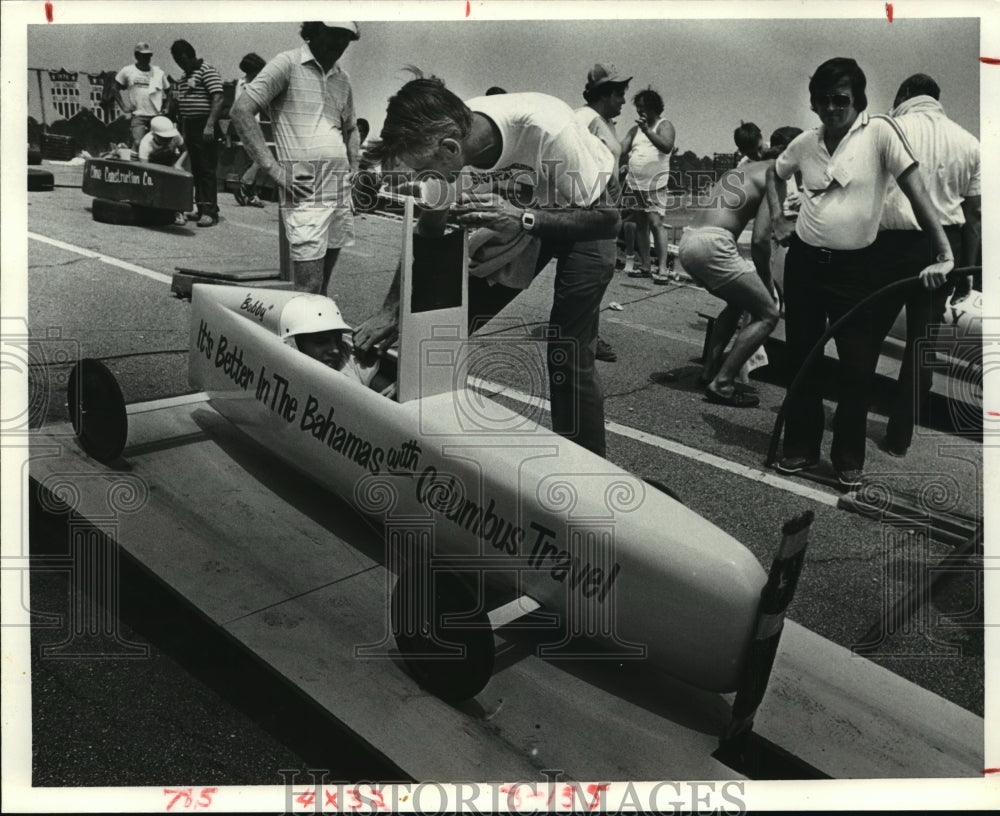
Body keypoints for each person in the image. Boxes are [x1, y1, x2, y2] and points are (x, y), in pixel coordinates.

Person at [353, 74, 620, 457]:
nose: (422, 181)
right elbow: (428, 231)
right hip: (527, 206)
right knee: (442, 325)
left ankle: (588, 467)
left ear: (450, 149)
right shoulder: (450, 144)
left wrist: (525, 219)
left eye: (422, 171)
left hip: (590, 205)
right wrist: (391, 310)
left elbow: (611, 220)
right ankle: (411, 431)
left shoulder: (547, 128)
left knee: (568, 350)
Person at [766, 57, 954, 489]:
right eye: (823, 99)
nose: (832, 107)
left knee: (857, 366)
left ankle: (848, 457)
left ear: (858, 100)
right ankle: (799, 447)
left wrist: (943, 252)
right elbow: (776, 175)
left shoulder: (881, 132)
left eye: (841, 99)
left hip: (856, 270)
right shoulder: (805, 143)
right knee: (803, 359)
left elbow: (918, 192)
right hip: (805, 265)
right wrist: (780, 219)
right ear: (813, 103)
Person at [873, 73, 981, 457]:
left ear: (904, 94)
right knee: (921, 347)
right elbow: (974, 217)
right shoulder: (970, 142)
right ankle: (899, 437)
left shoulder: (886, 128)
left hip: (888, 244)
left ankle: (850, 413)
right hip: (944, 251)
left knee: (868, 336)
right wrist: (965, 274)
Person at [231, 22, 362, 296]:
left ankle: (324, 336)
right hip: (305, 188)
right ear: (313, 30)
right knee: (308, 286)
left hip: (337, 186)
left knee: (322, 286)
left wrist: (355, 166)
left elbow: (351, 128)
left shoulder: (344, 79)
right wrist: (275, 171)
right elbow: (241, 111)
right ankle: (303, 338)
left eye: (347, 38)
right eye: (334, 34)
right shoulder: (287, 63)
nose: (341, 43)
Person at [679, 126, 802, 407]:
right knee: (768, 314)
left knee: (736, 304)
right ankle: (722, 383)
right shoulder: (777, 175)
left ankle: (709, 371)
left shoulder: (743, 168)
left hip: (690, 240)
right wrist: (768, 283)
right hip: (714, 245)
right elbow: (760, 240)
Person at [575, 62, 632, 364]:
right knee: (593, 273)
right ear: (605, 93)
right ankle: (585, 339)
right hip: (593, 214)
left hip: (606, 214)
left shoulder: (604, 123)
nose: (624, 100)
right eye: (620, 94)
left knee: (599, 276)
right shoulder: (585, 117)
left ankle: (589, 335)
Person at [621, 88, 676, 281]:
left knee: (656, 223)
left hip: (656, 184)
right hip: (636, 184)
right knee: (641, 224)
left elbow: (666, 146)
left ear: (654, 108)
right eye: (638, 108)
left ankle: (662, 268)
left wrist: (647, 131)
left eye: (643, 108)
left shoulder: (664, 125)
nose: (640, 112)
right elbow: (622, 148)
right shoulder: (634, 129)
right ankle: (645, 265)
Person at [170, 39, 224, 227]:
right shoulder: (185, 77)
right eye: (177, 61)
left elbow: (218, 97)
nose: (181, 64)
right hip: (190, 125)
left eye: (183, 60)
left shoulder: (207, 70)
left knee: (207, 169)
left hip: (205, 124)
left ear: (191, 55)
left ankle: (210, 212)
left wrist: (210, 124)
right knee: (197, 169)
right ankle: (201, 207)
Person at [280, 294, 381, 386]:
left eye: (338, 340)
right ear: (296, 343)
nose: (336, 350)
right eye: (321, 341)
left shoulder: (346, 357)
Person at [114, 42, 171, 150]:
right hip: (139, 115)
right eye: (143, 55)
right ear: (137, 56)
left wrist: (167, 107)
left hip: (156, 115)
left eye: (149, 55)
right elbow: (114, 88)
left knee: (157, 145)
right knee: (137, 142)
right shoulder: (127, 71)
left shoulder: (158, 72)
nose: (147, 58)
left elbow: (169, 91)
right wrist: (124, 107)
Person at [232, 53, 269, 208]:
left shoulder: (242, 83)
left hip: (250, 123)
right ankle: (245, 184)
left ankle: (251, 195)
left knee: (252, 159)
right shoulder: (248, 84)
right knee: (263, 156)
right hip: (248, 123)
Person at [138, 115, 189, 226]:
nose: (167, 140)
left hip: (170, 162)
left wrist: (178, 164)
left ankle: (179, 212)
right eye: (163, 138)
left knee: (180, 179)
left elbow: (184, 150)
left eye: (168, 138)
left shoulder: (176, 136)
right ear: (154, 134)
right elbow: (144, 167)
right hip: (152, 165)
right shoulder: (146, 143)